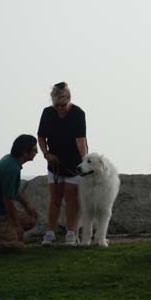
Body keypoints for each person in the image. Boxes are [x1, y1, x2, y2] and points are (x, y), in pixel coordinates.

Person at [38, 82, 87, 246]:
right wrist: (46, 154)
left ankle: (71, 233)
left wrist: (84, 162)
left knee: (72, 199)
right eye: (57, 105)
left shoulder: (78, 114)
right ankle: (50, 232)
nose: (60, 108)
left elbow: (81, 141)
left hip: (74, 163)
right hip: (54, 162)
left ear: (69, 100)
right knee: (55, 198)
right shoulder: (47, 113)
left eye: (63, 105)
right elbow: (41, 137)